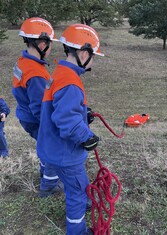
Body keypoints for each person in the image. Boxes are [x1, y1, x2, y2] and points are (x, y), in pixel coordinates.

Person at [37, 24, 103, 235]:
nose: (92, 61)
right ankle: (77, 231)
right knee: (76, 191)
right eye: (93, 56)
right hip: (64, 153)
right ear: (83, 53)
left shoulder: (60, 73)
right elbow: (66, 119)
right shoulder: (71, 82)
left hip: (52, 149)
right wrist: (87, 136)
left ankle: (84, 200)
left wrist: (84, 114)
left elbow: (60, 108)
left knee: (79, 182)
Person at [12, 17, 63, 197]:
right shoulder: (36, 73)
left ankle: (44, 172)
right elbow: (39, 107)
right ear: (42, 44)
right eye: (50, 44)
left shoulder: (23, 61)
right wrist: (53, 125)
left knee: (43, 145)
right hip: (35, 118)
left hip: (24, 114)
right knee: (52, 147)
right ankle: (48, 185)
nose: (50, 49)